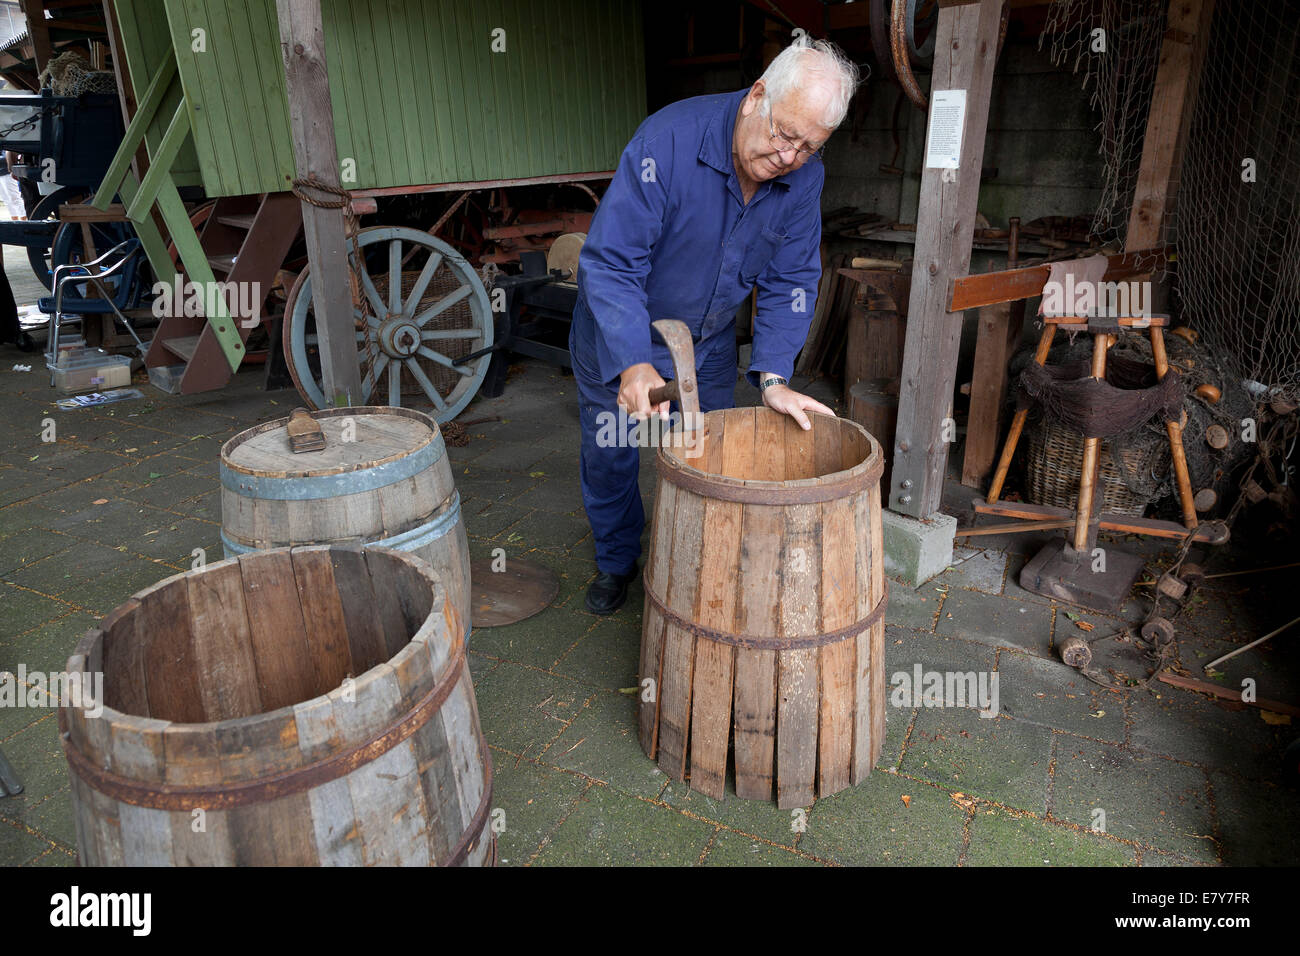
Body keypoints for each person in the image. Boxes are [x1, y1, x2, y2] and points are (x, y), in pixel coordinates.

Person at [569, 36, 860, 614]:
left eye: (809, 147)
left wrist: (774, 376)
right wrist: (632, 360)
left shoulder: (803, 178)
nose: (789, 158)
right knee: (613, 452)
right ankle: (616, 560)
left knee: (706, 454)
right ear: (757, 97)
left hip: (708, 342)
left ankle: (697, 565)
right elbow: (612, 262)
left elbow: (793, 279)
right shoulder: (666, 143)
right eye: (784, 136)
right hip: (622, 330)